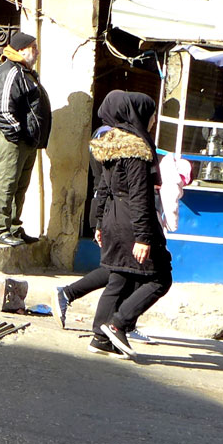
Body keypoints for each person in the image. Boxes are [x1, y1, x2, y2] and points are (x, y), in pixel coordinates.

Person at [86, 90, 172, 358]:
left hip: (112, 218)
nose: (154, 119)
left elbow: (102, 187)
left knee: (120, 276)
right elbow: (139, 196)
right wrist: (144, 236)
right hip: (130, 221)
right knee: (160, 277)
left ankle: (101, 338)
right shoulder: (135, 149)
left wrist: (99, 222)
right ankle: (118, 323)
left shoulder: (108, 144)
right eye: (150, 114)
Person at [0, 31, 52, 247]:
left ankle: (13, 227)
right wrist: (19, 133)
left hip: (27, 141)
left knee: (20, 186)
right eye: (33, 47)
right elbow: (3, 108)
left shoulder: (26, 72)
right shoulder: (10, 71)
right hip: (13, 139)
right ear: (21, 50)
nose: (37, 51)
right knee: (7, 183)